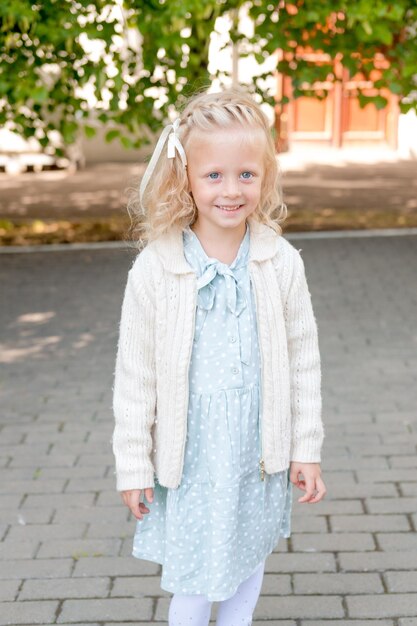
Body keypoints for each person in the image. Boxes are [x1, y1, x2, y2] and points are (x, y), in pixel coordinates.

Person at [112, 88, 326, 626]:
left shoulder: (280, 262)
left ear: (265, 177)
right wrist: (134, 464)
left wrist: (306, 449)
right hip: (191, 461)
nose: (231, 191)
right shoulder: (157, 269)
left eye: (246, 175)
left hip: (257, 451)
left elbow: (303, 363)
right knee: (194, 575)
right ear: (184, 177)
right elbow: (135, 377)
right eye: (214, 176)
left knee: (246, 563)